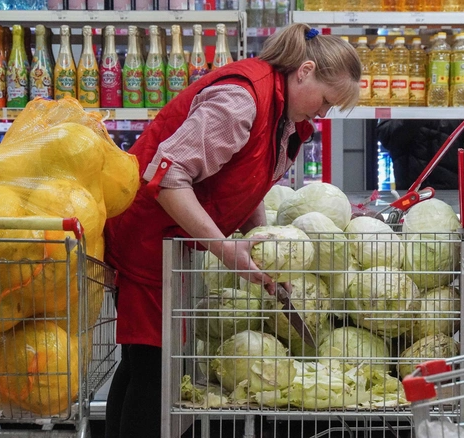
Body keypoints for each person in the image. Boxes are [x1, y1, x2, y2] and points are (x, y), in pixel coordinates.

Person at [103, 23, 361, 438]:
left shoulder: (279, 110)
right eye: (327, 101)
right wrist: (226, 249)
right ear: (305, 71)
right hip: (148, 236)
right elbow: (167, 178)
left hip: (172, 239)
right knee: (155, 367)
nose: (323, 114)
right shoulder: (241, 100)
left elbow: (244, 177)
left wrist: (263, 247)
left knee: (143, 361)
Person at [376, 118, 464, 190]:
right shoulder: (401, 95)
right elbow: (387, 136)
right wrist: (418, 114)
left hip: (453, 191)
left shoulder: (455, 96)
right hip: (410, 192)